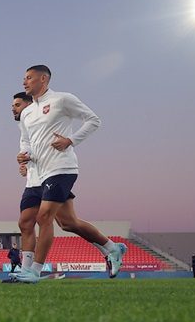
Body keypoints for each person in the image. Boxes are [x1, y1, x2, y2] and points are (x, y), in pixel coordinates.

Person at [15, 66, 126, 283]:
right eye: (24, 78)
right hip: (38, 175)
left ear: (43, 79)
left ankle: (34, 271)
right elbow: (26, 141)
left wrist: (70, 140)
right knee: (66, 222)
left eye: (29, 78)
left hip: (61, 168)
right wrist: (23, 156)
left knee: (44, 217)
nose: (24, 82)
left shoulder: (62, 99)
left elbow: (93, 120)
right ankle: (113, 248)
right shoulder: (27, 112)